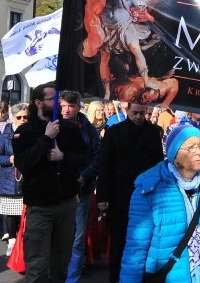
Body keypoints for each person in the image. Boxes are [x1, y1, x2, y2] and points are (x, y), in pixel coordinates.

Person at [12, 82, 89, 283]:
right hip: (40, 205)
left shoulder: (69, 128)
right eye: (52, 99)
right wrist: (46, 139)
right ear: (38, 102)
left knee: (61, 264)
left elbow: (84, 157)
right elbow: (23, 163)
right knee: (37, 266)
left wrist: (64, 156)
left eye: (58, 99)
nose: (57, 103)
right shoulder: (25, 132)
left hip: (66, 203)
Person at [121, 125, 200, 282]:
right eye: (191, 147)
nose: (199, 152)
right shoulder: (150, 189)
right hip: (168, 276)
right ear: (174, 156)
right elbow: (136, 248)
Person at [96, 102, 163, 282]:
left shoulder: (152, 133)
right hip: (119, 196)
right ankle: (115, 277)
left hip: (144, 196)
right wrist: (102, 197)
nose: (139, 117)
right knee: (118, 242)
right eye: (135, 113)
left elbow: (158, 165)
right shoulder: (114, 132)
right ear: (127, 111)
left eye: (142, 113)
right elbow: (104, 166)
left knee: (142, 241)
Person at [60, 90, 100, 283]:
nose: (66, 110)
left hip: (80, 191)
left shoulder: (89, 129)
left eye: (71, 106)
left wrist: (85, 176)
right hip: (56, 191)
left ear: (78, 107)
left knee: (77, 238)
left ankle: (72, 278)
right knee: (57, 236)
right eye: (63, 106)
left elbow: (97, 157)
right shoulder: (52, 125)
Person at [0, 102, 27, 256]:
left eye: (26, 117)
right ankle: (12, 242)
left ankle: (24, 243)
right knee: (11, 215)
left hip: (27, 180)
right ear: (13, 118)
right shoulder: (6, 135)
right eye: (19, 117)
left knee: (25, 215)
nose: (22, 120)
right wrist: (9, 159)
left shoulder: (32, 133)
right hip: (9, 180)